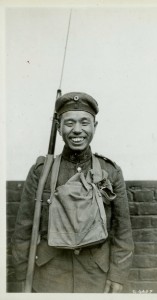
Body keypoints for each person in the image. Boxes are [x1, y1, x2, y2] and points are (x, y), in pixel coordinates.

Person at [11, 92, 134, 293]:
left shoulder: (110, 172)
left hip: (96, 277)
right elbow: (23, 230)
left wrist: (118, 276)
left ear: (95, 126)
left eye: (85, 122)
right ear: (59, 127)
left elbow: (122, 231)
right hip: (49, 276)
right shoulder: (42, 172)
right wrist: (25, 276)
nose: (77, 130)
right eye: (69, 123)